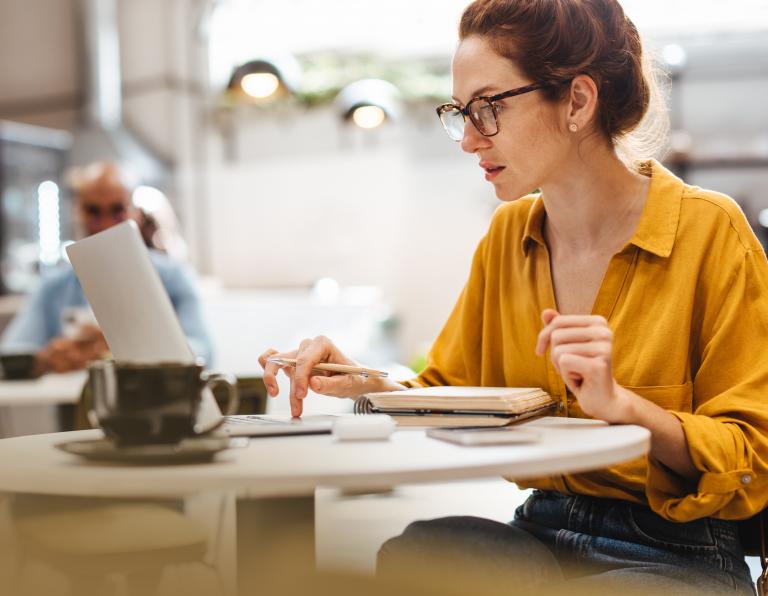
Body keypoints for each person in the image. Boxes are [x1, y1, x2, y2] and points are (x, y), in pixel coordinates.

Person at [259, 0, 768, 593]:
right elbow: (448, 393)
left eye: (489, 108)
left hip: (679, 549)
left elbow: (752, 456)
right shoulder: (507, 237)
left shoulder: (710, 232)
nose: (469, 140)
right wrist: (365, 383)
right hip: (541, 528)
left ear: (577, 101)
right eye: (460, 112)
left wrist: (624, 407)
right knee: (426, 551)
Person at [1, 161, 214, 373]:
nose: (105, 224)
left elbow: (204, 351)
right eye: (93, 211)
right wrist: (48, 358)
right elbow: (12, 353)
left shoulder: (173, 279)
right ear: (78, 213)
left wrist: (131, 347)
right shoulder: (53, 288)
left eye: (117, 210)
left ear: (135, 214)